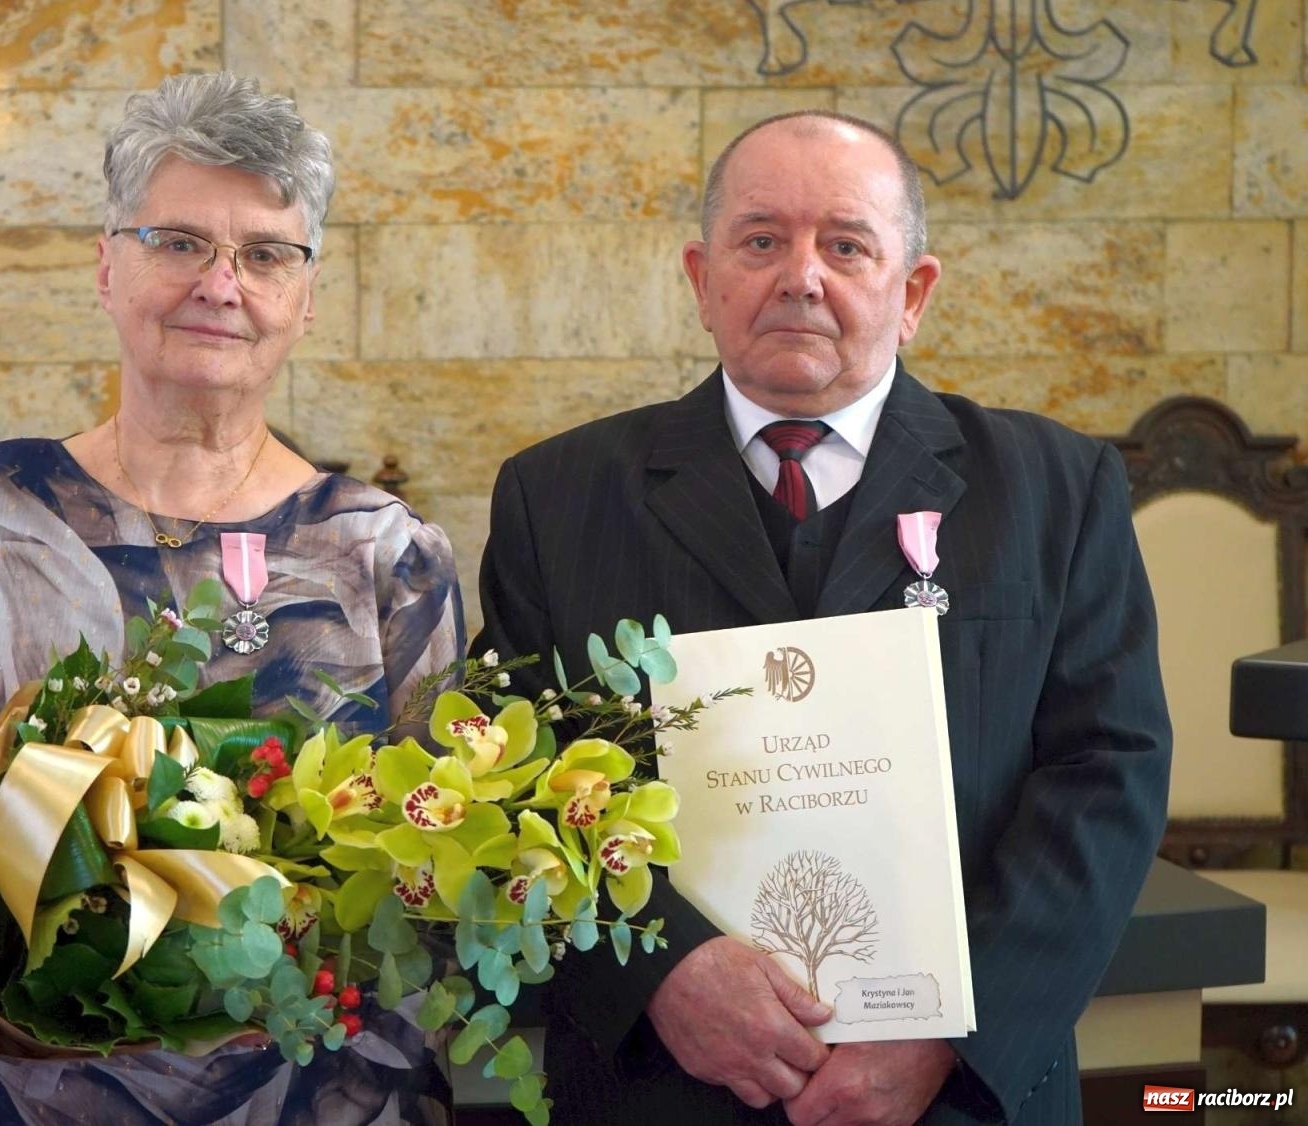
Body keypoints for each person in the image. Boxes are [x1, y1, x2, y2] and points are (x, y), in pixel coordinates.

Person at [475, 111, 1172, 1125]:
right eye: (761, 240)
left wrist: (952, 1035)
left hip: (959, 1101)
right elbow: (510, 777)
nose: (801, 276)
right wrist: (661, 972)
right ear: (701, 280)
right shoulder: (558, 496)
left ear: (912, 293)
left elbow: (1107, 775)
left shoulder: (1057, 491)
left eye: (845, 246)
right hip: (660, 1089)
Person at [0, 72, 464, 1126]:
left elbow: (436, 894)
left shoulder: (387, 553)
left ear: (306, 298)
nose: (221, 285)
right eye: (179, 242)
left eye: (265, 254)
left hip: (293, 1092)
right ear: (107, 267)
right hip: (5, 1085)